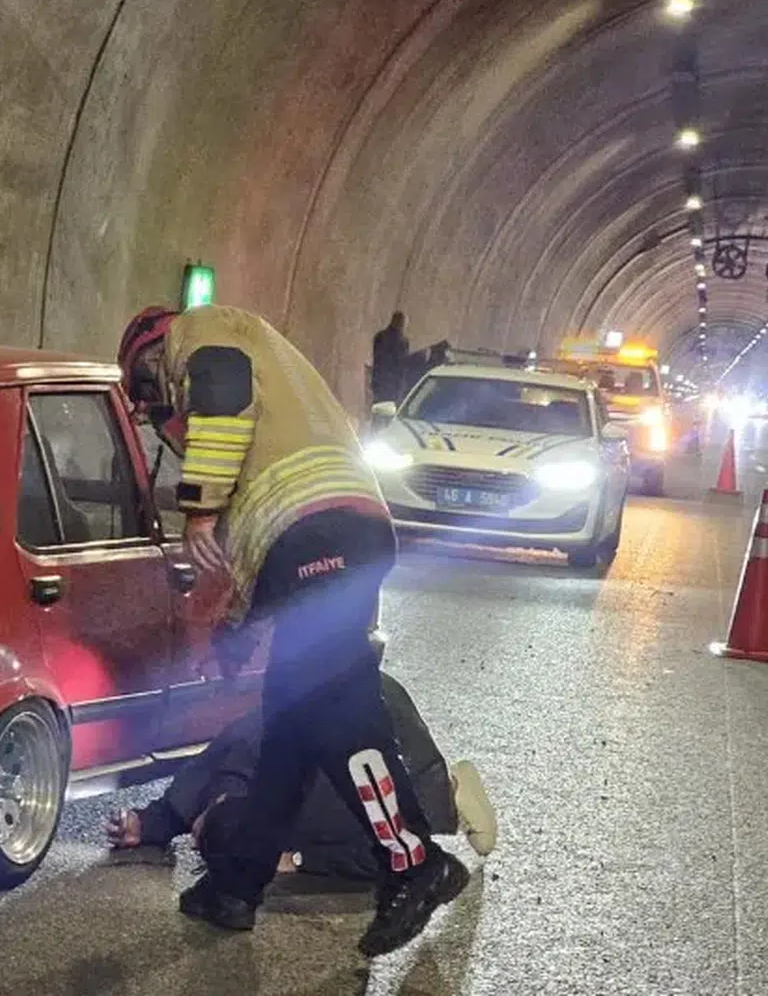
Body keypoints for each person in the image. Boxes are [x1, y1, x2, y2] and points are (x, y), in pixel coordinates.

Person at [117, 303, 472, 958]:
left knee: (339, 710)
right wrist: (235, 624)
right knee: (289, 724)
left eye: (142, 378)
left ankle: (413, 860)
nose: (149, 403)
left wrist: (198, 509)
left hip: (321, 532)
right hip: (330, 534)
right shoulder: (263, 390)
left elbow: (224, 395)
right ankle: (237, 885)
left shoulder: (204, 332)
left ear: (155, 346)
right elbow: (256, 529)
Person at [106, 671, 497, 882]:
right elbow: (205, 774)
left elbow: (383, 858)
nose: (191, 837)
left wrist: (298, 860)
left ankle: (452, 789)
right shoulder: (246, 751)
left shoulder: (337, 816)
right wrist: (153, 822)